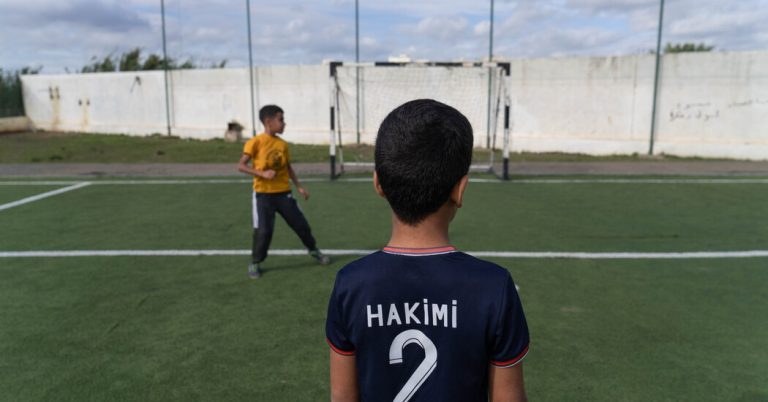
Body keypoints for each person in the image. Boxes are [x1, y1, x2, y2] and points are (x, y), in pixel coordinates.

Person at [325, 99, 530, 401]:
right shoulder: (494, 287)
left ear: (378, 184)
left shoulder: (350, 283)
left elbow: (342, 398)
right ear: (460, 190)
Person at [237, 104, 330, 279]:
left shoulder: (282, 144)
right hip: (263, 195)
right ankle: (255, 262)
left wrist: (299, 186)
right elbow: (241, 166)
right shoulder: (255, 142)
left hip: (283, 193)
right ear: (268, 122)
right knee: (264, 231)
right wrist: (262, 173)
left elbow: (287, 167)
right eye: (281, 120)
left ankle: (313, 250)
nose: (284, 123)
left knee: (301, 224)